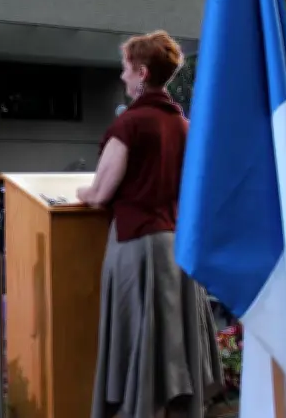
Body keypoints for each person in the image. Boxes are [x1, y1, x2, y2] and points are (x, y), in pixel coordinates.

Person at [77, 30, 222, 418]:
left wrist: (80, 192)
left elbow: (101, 192)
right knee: (172, 343)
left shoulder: (131, 124)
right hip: (176, 248)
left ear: (141, 72)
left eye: (126, 69)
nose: (122, 76)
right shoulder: (185, 126)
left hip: (137, 247)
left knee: (136, 341)